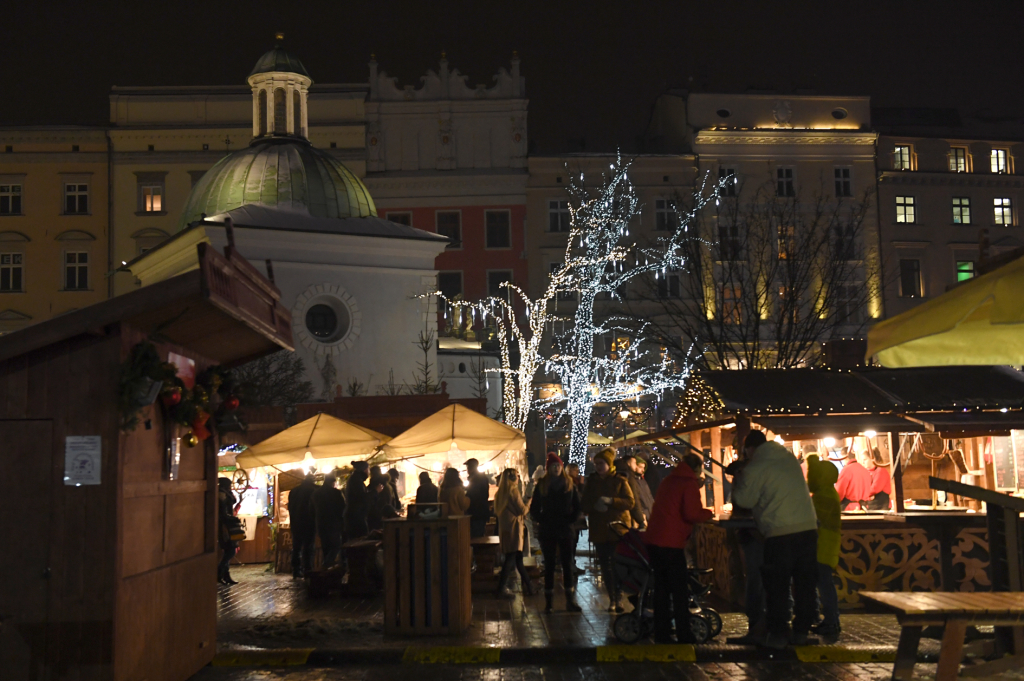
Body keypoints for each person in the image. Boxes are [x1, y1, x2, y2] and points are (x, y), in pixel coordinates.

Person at [731, 430, 819, 649]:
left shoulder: (755, 466)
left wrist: (739, 478)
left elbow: (745, 499)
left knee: (777, 586)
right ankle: (801, 632)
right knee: (805, 585)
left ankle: (778, 635)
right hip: (808, 528)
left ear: (749, 449)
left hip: (780, 532)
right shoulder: (787, 457)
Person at [644, 452, 713, 643]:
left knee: (662, 589)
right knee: (679, 589)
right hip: (671, 542)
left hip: (655, 539)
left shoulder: (669, 480)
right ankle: (684, 633)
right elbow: (691, 513)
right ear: (697, 469)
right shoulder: (688, 483)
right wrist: (708, 513)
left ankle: (662, 633)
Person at [581, 447, 635, 613]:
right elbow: (585, 503)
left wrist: (611, 501)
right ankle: (613, 597)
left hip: (617, 529)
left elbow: (629, 502)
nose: (598, 466)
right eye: (596, 463)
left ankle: (618, 596)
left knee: (616, 564)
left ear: (609, 464)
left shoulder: (620, 481)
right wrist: (593, 506)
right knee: (605, 565)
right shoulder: (592, 482)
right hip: (599, 529)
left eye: (601, 463)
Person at [529, 452, 583, 613]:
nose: (556, 469)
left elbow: (577, 506)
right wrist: (542, 519)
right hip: (549, 529)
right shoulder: (542, 485)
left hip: (565, 529)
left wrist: (571, 520)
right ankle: (549, 602)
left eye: (558, 466)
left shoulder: (569, 484)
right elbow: (534, 508)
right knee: (550, 565)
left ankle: (569, 600)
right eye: (553, 466)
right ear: (548, 468)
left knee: (567, 564)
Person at [806, 454, 842, 642]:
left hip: (823, 545)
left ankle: (831, 621)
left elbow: (814, 519)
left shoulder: (824, 496)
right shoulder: (826, 493)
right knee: (823, 583)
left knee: (825, 584)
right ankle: (829, 620)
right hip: (824, 545)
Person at [495, 468, 535, 597]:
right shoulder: (513, 491)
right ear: (513, 478)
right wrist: (529, 502)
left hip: (506, 529)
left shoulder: (500, 493)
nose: (518, 478)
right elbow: (522, 510)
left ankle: (529, 587)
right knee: (511, 558)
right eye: (517, 476)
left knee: (517, 559)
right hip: (514, 529)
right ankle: (501, 589)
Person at [312, 472, 346, 567]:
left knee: (325, 548)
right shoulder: (336, 493)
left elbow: (313, 509)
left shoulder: (316, 493)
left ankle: (326, 572)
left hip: (321, 524)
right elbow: (343, 508)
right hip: (333, 524)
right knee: (336, 546)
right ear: (333, 482)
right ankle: (326, 564)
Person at [288, 473, 317, 579]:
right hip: (308, 523)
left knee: (296, 547)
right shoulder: (312, 491)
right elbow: (313, 508)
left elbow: (290, 507)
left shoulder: (294, 491)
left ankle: (296, 569)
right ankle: (307, 569)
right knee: (308, 547)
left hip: (295, 522)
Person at [565, 462, 587, 574]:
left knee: (575, 540)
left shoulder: (575, 482)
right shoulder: (571, 483)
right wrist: (582, 485)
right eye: (575, 470)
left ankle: (571, 564)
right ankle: (570, 566)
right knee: (572, 541)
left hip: (576, 517)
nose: (577, 472)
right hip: (573, 517)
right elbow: (579, 498)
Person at [217, 478, 240, 585]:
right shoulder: (221, 494)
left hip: (228, 524)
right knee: (230, 549)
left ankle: (225, 576)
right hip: (225, 526)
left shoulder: (225, 493)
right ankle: (219, 572)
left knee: (229, 549)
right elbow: (223, 511)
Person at [465, 458, 492, 538]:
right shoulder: (482, 478)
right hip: (481, 512)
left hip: (476, 513)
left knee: (476, 537)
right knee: (479, 534)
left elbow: (474, 496)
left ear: (470, 468)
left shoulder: (475, 479)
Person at [344, 462, 370, 539]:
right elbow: (361, 497)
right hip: (356, 518)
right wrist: (375, 492)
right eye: (368, 469)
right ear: (365, 470)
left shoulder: (355, 479)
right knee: (359, 541)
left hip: (355, 516)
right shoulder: (357, 480)